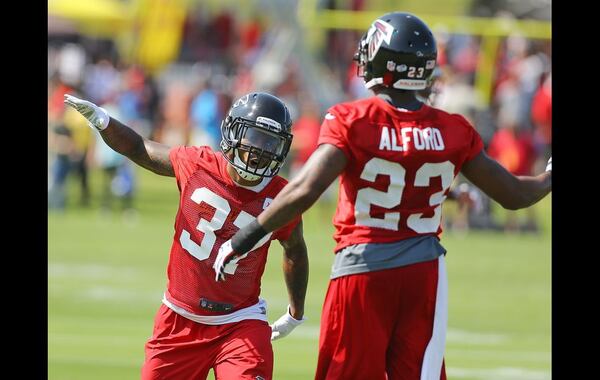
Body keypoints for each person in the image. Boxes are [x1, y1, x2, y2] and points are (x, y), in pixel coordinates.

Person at [215, 12, 552, 380]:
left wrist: (245, 237)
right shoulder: (453, 129)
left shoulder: (355, 120)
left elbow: (305, 189)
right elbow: (516, 195)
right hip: (424, 274)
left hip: (362, 270)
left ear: (383, 62)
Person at [64, 91, 309, 380]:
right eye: (254, 137)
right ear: (232, 132)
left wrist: (296, 311)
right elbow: (140, 148)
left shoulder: (282, 196)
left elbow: (294, 248)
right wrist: (103, 121)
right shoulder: (197, 164)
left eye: (271, 143)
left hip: (240, 322)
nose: (261, 150)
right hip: (179, 319)